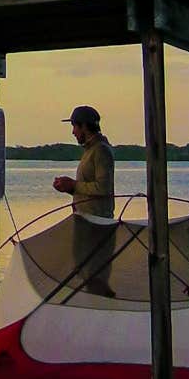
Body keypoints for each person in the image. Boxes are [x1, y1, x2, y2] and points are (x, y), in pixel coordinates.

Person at [52, 104, 117, 298]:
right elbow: (89, 189)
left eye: (74, 126)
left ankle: (101, 313)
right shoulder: (90, 151)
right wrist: (69, 188)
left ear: (84, 127)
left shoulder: (101, 151)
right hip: (86, 224)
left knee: (95, 277)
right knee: (85, 274)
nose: (73, 132)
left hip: (97, 226)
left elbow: (104, 189)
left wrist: (74, 186)